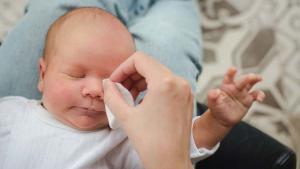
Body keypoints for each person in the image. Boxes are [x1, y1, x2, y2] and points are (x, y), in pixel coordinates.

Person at [0, 7, 265, 169]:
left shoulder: (119, 137)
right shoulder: (12, 113)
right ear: (43, 74)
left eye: (111, 80)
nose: (94, 90)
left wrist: (216, 122)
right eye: (76, 74)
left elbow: (177, 146)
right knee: (171, 32)